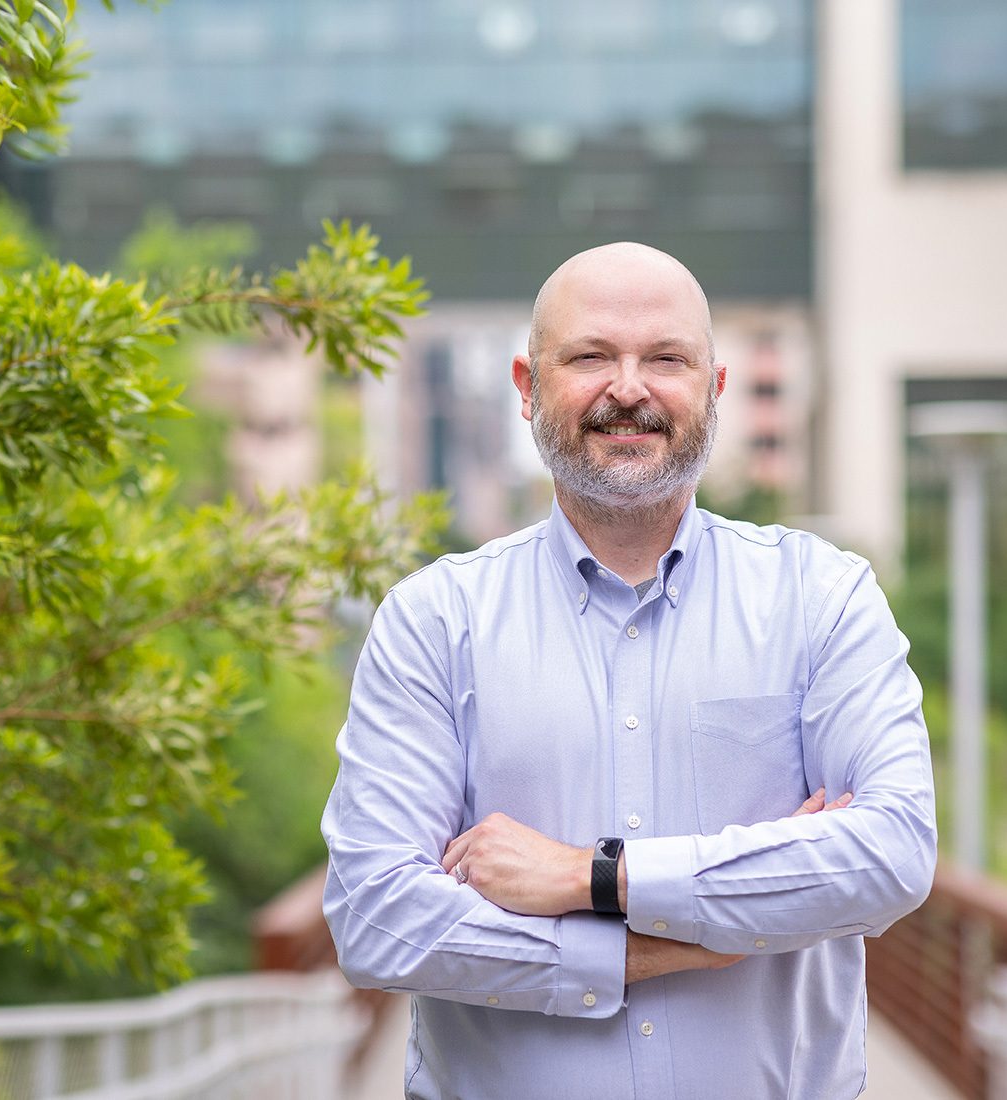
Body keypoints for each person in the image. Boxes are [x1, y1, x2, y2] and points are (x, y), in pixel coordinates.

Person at [320, 242, 937, 1099]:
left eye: (666, 359)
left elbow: (893, 853)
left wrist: (589, 877)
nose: (629, 388)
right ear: (526, 387)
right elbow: (377, 918)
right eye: (590, 357)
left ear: (716, 390)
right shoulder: (432, 622)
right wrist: (699, 934)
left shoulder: (823, 598)